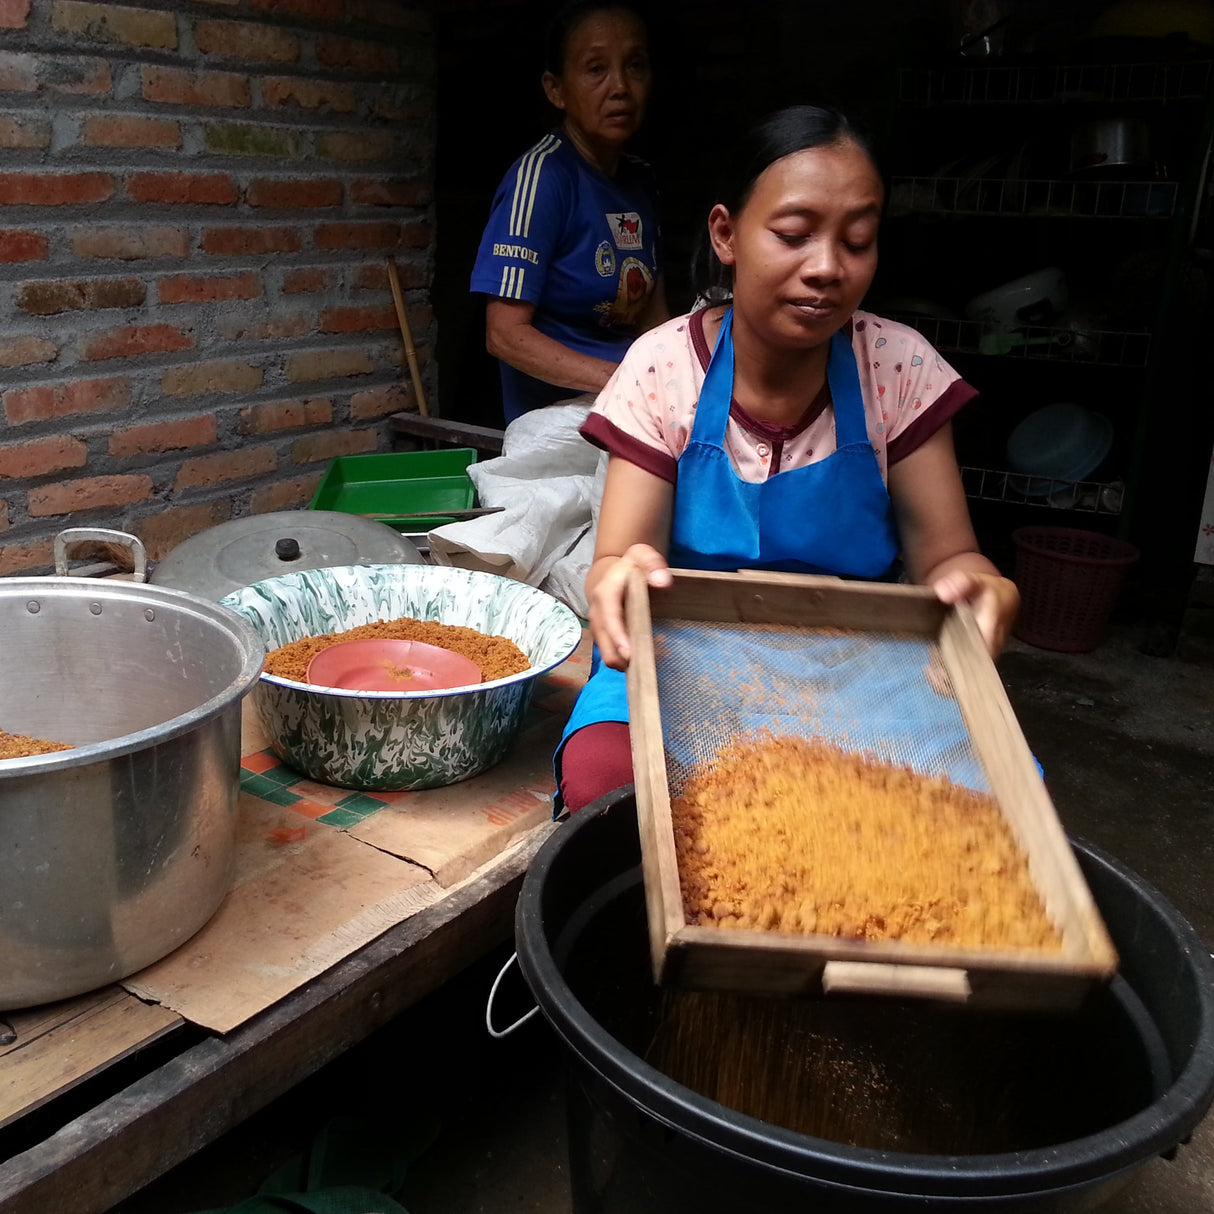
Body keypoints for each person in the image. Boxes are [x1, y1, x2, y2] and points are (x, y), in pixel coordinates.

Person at [554, 104, 1021, 815]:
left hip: (860, 664)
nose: (828, 268)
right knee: (604, 785)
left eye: (857, 241)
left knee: (994, 809)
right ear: (726, 234)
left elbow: (948, 558)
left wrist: (981, 587)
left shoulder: (898, 368)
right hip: (682, 652)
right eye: (795, 235)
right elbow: (620, 556)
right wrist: (619, 579)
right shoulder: (662, 367)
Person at [469, 0, 668, 425]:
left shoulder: (641, 181)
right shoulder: (542, 178)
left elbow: (654, 326)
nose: (620, 87)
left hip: (633, 409)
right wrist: (622, 381)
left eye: (635, 66)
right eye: (596, 69)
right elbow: (504, 335)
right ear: (555, 89)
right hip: (557, 423)